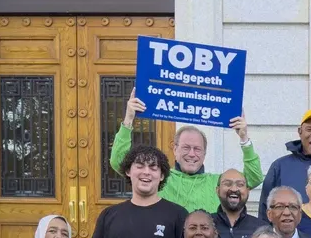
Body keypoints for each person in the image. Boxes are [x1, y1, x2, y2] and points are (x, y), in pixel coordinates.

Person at [112, 90, 262, 213]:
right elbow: (119, 162)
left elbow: (253, 178)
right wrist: (128, 119)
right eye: (186, 148)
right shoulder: (161, 178)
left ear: (204, 154)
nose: (191, 154)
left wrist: (244, 138)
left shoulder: (216, 182)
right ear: (175, 150)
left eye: (197, 149)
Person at [214, 169, 269, 238]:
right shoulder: (207, 225)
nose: (234, 189)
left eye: (240, 185)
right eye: (227, 184)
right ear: (217, 190)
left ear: (248, 191)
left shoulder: (261, 228)